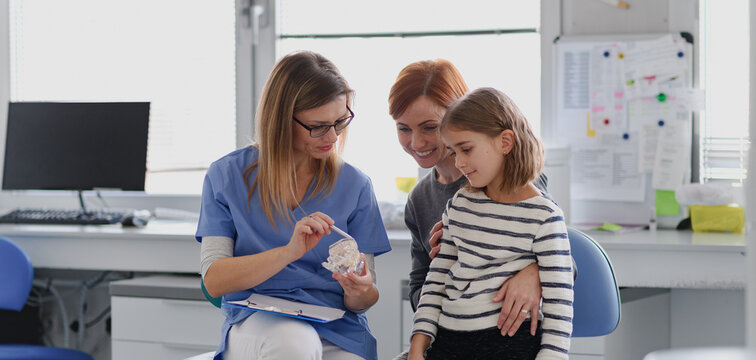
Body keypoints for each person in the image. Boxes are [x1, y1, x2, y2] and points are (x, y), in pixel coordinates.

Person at [196, 51, 392, 360]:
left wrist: (359, 289)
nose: (332, 137)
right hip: (259, 324)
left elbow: (365, 298)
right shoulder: (227, 176)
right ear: (281, 119)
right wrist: (289, 252)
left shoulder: (355, 185)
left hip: (337, 327)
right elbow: (214, 279)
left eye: (340, 121)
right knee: (294, 342)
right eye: (318, 126)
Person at [388, 59, 549, 341]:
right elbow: (417, 288)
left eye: (429, 127)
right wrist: (447, 269)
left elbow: (565, 258)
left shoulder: (510, 176)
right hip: (455, 336)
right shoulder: (420, 199)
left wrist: (535, 272)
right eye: (404, 128)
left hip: (511, 337)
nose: (416, 142)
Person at [409, 87, 573, 360]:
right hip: (449, 338)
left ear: (505, 142)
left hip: (510, 344)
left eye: (466, 149)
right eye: (453, 152)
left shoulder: (544, 216)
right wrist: (417, 346)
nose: (459, 162)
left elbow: (559, 310)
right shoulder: (460, 204)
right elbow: (435, 281)